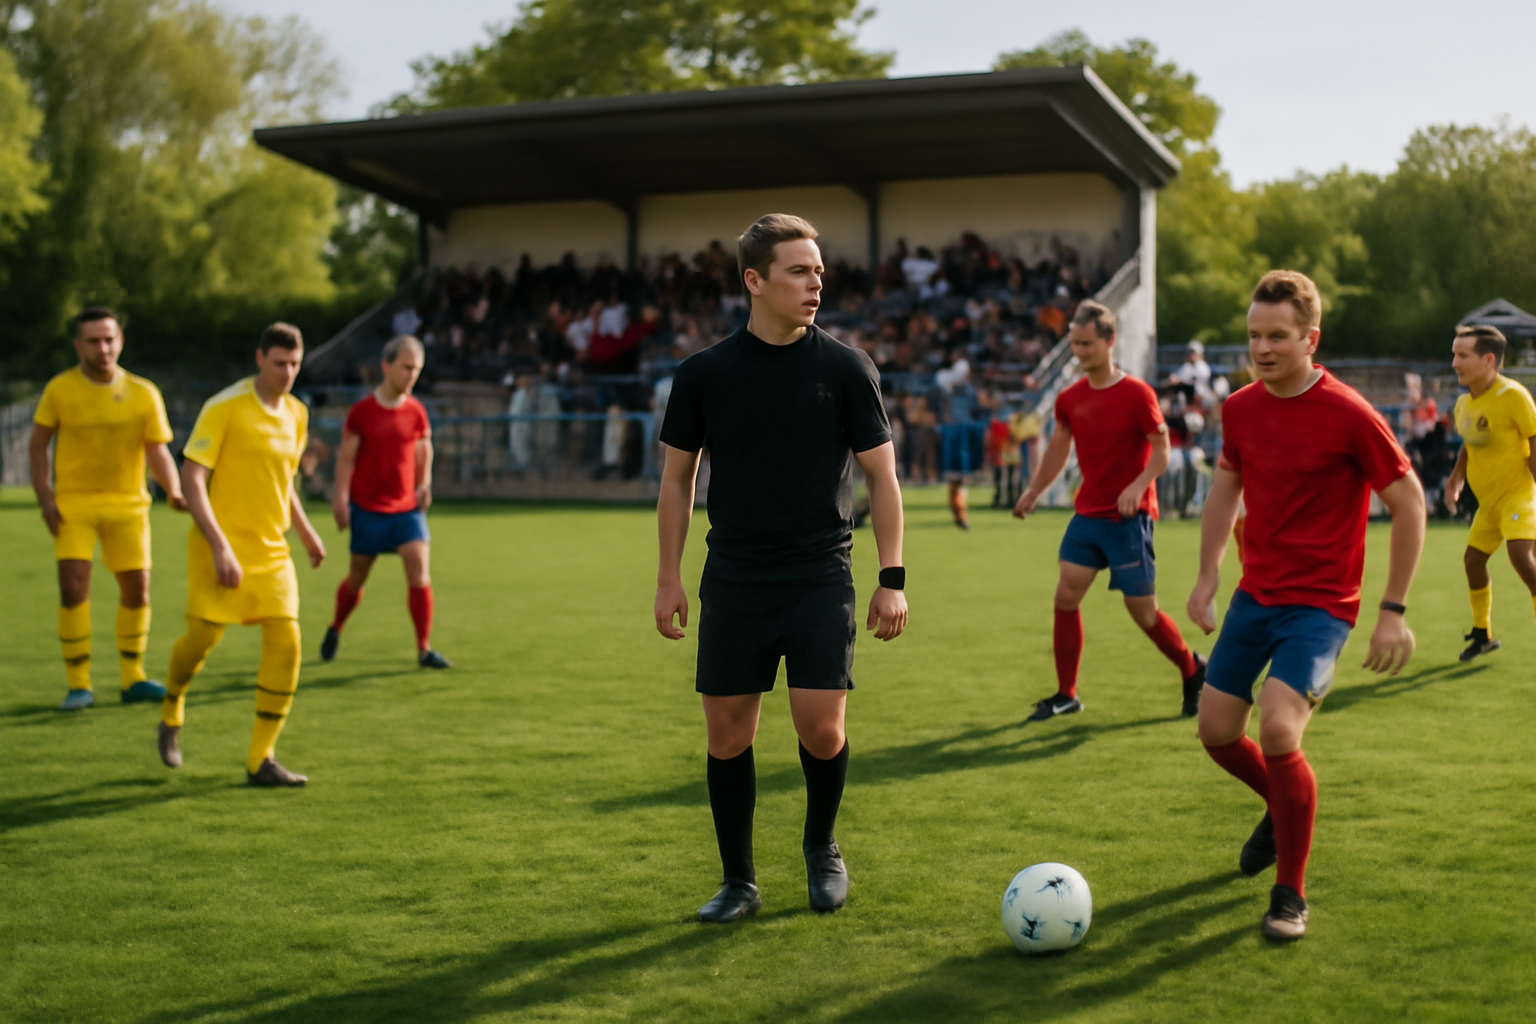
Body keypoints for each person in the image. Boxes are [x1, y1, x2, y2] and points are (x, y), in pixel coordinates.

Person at [654, 213, 907, 923]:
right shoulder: (703, 374)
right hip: (734, 576)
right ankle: (739, 882)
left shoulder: (847, 368)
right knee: (727, 734)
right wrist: (669, 577)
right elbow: (676, 481)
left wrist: (892, 578)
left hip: (820, 572)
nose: (815, 282)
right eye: (799, 271)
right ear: (755, 281)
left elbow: (883, 479)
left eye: (819, 271)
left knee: (820, 727)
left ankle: (821, 846)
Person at [1187, 270, 1424, 941]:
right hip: (1253, 597)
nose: (1262, 349)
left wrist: (1393, 610)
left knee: (1280, 730)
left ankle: (1289, 893)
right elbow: (1224, 493)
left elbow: (1410, 504)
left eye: (1278, 337)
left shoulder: (1350, 413)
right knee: (1215, 731)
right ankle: (1281, 806)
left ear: (1310, 339)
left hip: (1321, 606)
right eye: (1254, 336)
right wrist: (1207, 575)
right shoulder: (1238, 409)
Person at [1013, 300, 1206, 722]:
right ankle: (1067, 694)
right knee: (1066, 595)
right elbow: (1058, 451)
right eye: (1074, 345)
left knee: (1144, 613)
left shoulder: (1138, 394)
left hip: (1129, 521)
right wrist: (1034, 491)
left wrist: (1138, 487)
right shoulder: (1070, 399)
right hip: (1088, 517)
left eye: (1087, 344)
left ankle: (1193, 669)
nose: (1080, 353)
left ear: (1109, 342)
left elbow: (1161, 451)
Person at [157, 324, 328, 787]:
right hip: (219, 548)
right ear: (259, 359)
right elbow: (192, 479)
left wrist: (308, 533)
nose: (288, 373)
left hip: (272, 552)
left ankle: (261, 759)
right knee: (202, 639)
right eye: (279, 363)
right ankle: (172, 708)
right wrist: (219, 547)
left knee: (287, 642)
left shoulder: (296, 413)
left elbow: (285, 482)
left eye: (295, 364)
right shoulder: (225, 407)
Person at [29, 306, 187, 710]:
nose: (104, 348)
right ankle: (78, 684)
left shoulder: (144, 392)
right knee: (73, 587)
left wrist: (173, 489)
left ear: (121, 341)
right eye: (94, 340)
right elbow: (37, 446)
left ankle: (132, 678)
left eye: (110, 339)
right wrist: (45, 498)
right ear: (78, 345)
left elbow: (159, 451)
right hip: (74, 505)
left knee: (138, 591)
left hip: (129, 506)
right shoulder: (60, 390)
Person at [322, 335, 451, 669]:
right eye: (406, 367)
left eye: (417, 369)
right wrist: (340, 497)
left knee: (419, 567)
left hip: (406, 508)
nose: (411, 375)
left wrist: (424, 483)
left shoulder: (417, 411)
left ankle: (424, 649)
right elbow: (347, 459)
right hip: (368, 509)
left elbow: (424, 448)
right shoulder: (362, 412)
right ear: (386, 366)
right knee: (357, 577)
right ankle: (335, 627)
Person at [1444, 324, 1536, 661]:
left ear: (1488, 360)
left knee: (1522, 559)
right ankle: (1483, 635)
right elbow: (1470, 445)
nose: (1454, 362)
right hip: (1489, 503)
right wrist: (1456, 479)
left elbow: (1534, 443)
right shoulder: (1463, 405)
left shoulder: (1513, 396)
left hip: (1518, 495)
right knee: (1473, 561)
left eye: (1462, 355)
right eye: (1454, 354)